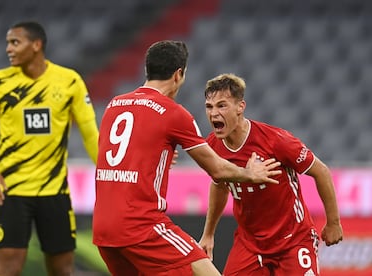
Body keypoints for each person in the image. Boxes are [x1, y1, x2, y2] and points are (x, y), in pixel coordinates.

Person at [92, 40, 282, 276]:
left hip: (103, 229)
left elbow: (114, 156)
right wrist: (249, 174)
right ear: (179, 74)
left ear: (147, 71)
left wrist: (155, 158)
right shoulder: (173, 113)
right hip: (142, 226)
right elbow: (217, 170)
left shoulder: (114, 105)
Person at [0, 21, 99, 275]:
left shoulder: (69, 81)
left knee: (62, 269)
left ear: (36, 45)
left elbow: (90, 135)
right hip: (11, 191)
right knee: (8, 268)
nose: (8, 48)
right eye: (8, 42)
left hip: (55, 192)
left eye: (15, 42)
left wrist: (108, 172)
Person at [199, 73, 343, 276]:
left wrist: (333, 222)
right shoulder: (212, 147)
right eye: (209, 107)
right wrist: (209, 234)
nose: (214, 114)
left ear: (240, 107)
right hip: (250, 245)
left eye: (222, 106)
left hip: (293, 240)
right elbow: (219, 185)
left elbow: (321, 172)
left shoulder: (276, 141)